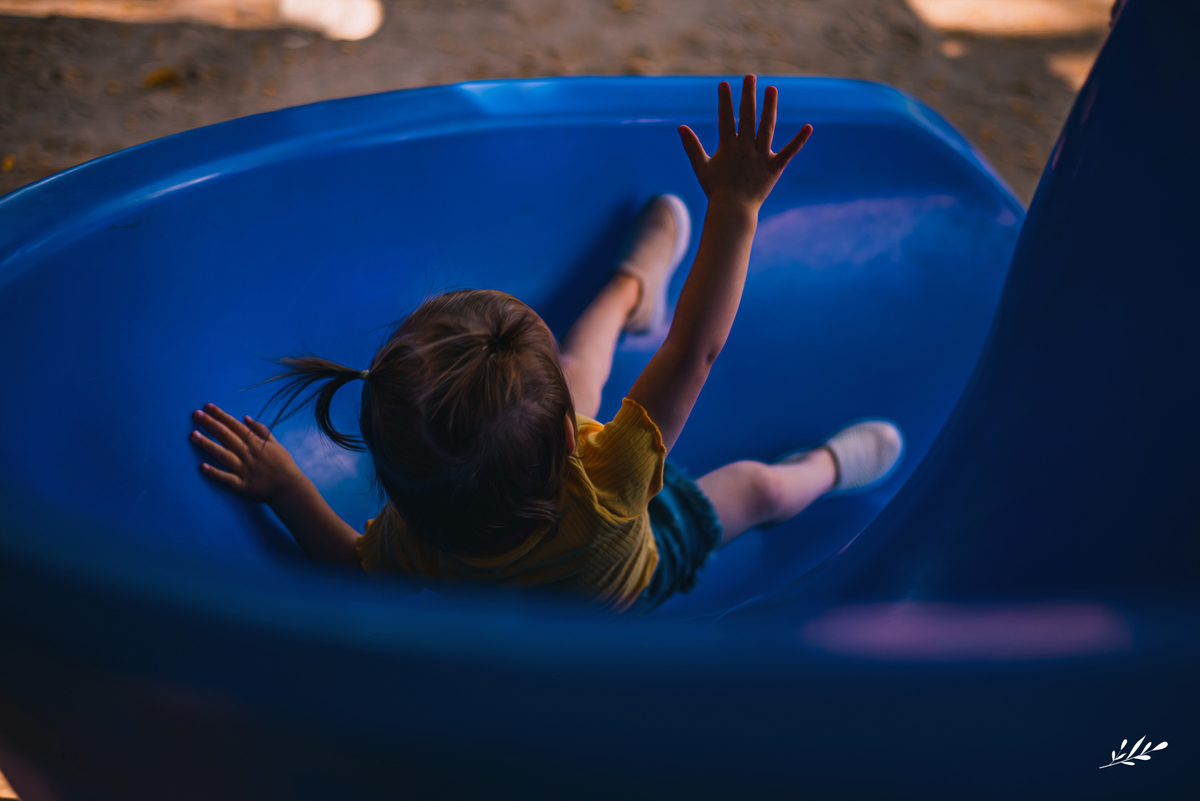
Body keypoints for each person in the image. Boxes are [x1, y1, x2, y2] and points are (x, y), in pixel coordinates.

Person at [189, 75, 903, 613]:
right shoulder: (613, 469)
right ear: (574, 438)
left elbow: (347, 563)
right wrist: (737, 211)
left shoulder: (419, 536)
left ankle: (634, 286)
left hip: (532, 540)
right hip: (645, 568)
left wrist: (284, 486)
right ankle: (827, 466)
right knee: (762, 485)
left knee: (565, 374)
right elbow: (694, 350)